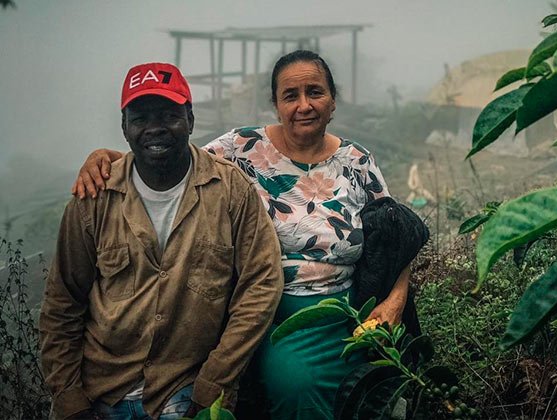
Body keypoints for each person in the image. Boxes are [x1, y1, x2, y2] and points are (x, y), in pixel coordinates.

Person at [73, 50, 413, 419]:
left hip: (351, 311)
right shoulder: (242, 149)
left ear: (332, 100)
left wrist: (394, 301)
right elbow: (170, 160)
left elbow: (395, 239)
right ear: (275, 104)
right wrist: (105, 157)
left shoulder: (356, 161)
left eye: (315, 92)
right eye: (290, 95)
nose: (304, 105)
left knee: (381, 387)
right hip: (275, 312)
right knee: (295, 383)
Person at [41, 62, 284, 420]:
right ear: (124, 128)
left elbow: (261, 285)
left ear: (190, 118)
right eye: (140, 118)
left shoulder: (229, 190)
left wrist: (214, 383)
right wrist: (69, 397)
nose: (155, 128)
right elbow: (63, 302)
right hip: (101, 389)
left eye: (168, 115)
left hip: (185, 388)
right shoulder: (94, 197)